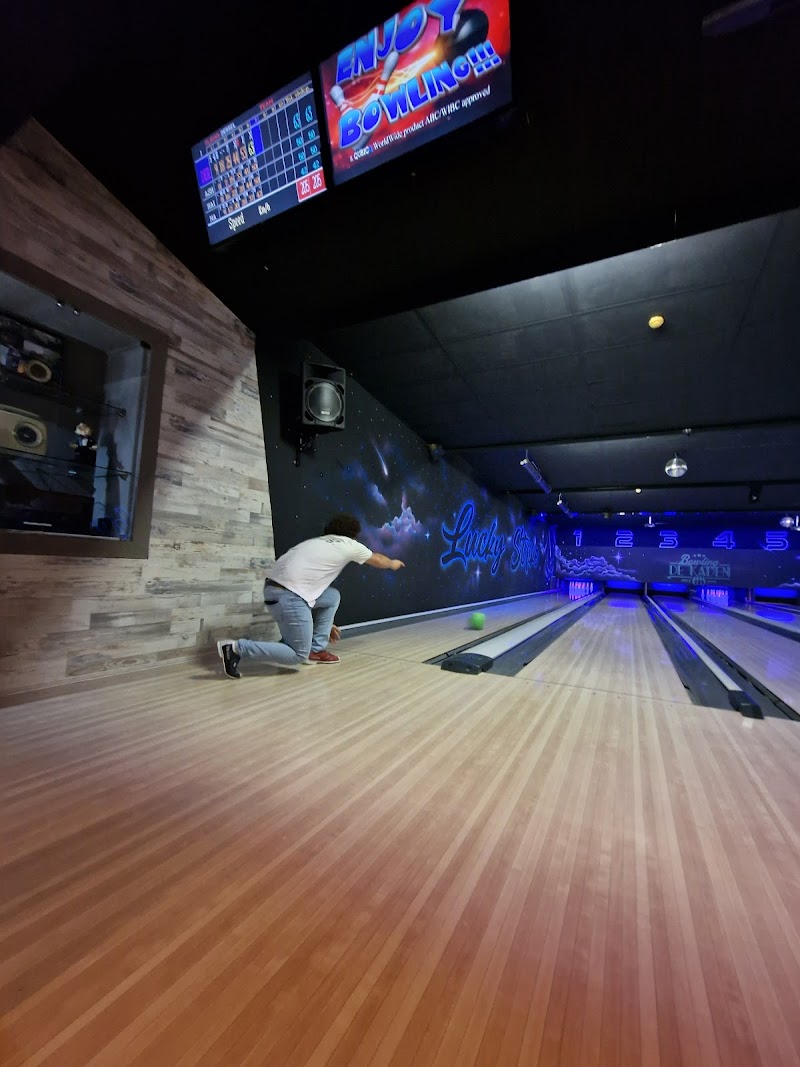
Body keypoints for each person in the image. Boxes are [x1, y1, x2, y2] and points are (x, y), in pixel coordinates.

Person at [217, 513, 405, 679]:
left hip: (274, 590)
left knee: (331, 596)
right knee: (297, 655)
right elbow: (378, 559)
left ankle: (315, 649)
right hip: (290, 596)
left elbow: (305, 580)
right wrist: (393, 563)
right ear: (353, 533)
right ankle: (235, 648)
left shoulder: (314, 542)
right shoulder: (349, 544)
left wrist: (322, 624)